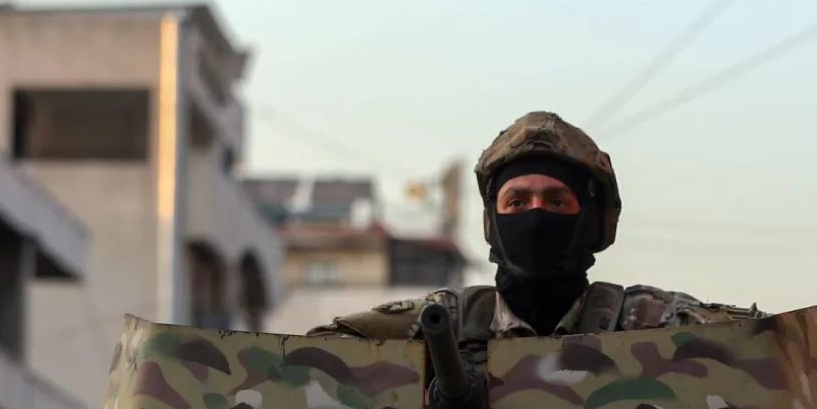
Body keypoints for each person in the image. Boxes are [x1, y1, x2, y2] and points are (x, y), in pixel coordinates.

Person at [307, 110, 763, 349]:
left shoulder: (649, 323)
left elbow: (767, 349)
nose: (536, 215)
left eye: (557, 201)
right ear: (494, 222)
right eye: (517, 202)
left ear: (591, 222)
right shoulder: (439, 328)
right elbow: (308, 361)